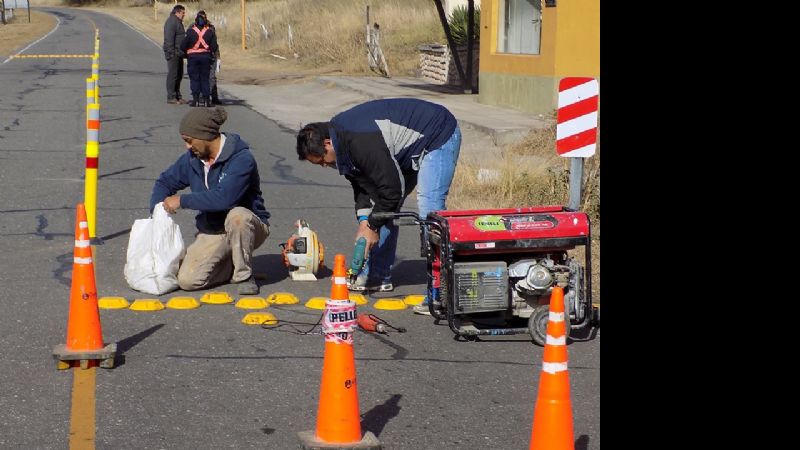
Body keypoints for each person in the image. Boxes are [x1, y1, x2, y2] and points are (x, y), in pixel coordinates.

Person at [295, 98, 461, 315]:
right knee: (378, 211)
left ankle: (441, 293)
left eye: (322, 161)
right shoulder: (342, 144)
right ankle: (378, 276)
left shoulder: (361, 141)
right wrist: (365, 221)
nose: (325, 166)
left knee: (430, 211)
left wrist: (372, 226)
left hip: (436, 133)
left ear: (327, 144)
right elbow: (363, 188)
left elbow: (391, 191)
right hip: (400, 150)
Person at [150, 107, 271, 295]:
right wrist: (156, 213)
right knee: (188, 281)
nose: (187, 147)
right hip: (214, 230)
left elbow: (225, 199)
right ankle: (230, 264)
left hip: (249, 226)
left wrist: (182, 200)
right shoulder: (192, 159)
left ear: (205, 136)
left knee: (237, 216)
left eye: (189, 141)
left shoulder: (241, 159)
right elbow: (165, 182)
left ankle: (244, 275)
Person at [181, 12, 219, 107]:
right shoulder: (210, 32)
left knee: (194, 78)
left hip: (193, 58)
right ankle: (206, 100)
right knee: (205, 78)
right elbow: (214, 47)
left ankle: (196, 100)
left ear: (196, 21)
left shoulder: (190, 31)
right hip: (205, 57)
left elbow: (183, 46)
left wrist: (186, 53)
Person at [163, 4, 186, 105]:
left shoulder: (178, 21)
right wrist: (172, 52)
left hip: (179, 53)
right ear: (177, 12)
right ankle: (171, 97)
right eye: (183, 13)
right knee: (173, 75)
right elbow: (169, 39)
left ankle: (177, 95)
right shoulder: (171, 22)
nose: (184, 15)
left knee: (179, 74)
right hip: (173, 53)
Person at [197, 10, 222, 105]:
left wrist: (218, 57)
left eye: (203, 17)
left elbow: (215, 43)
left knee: (212, 77)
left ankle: (214, 97)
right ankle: (202, 97)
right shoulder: (194, 27)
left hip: (211, 55)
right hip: (199, 55)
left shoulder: (211, 28)